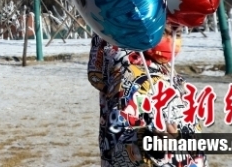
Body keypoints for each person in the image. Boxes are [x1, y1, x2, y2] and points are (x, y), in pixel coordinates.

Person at [88, 28, 206, 167]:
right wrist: (153, 144)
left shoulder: (168, 72)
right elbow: (119, 142)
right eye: (165, 31)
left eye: (177, 31)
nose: (174, 36)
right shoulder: (129, 78)